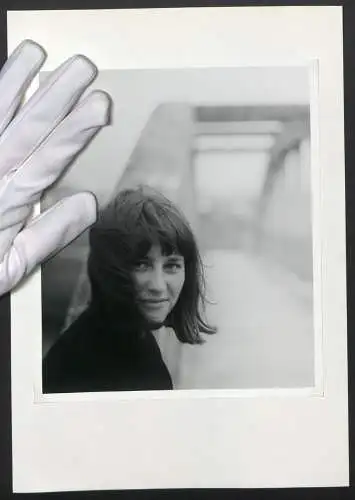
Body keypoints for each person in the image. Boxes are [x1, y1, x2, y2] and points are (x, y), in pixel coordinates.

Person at [43, 186, 216, 393]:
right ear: (109, 268)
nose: (158, 286)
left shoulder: (131, 341)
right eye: (141, 265)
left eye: (171, 266)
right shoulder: (97, 368)